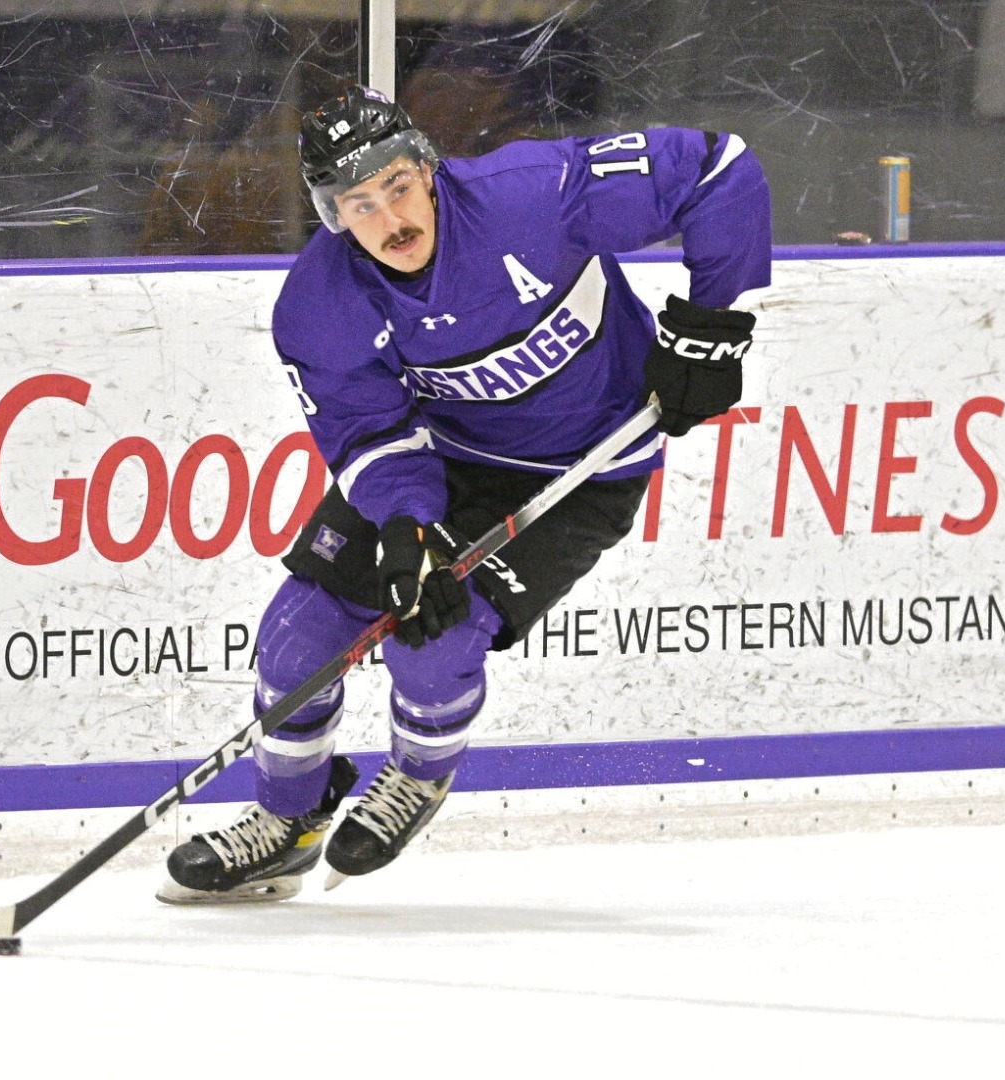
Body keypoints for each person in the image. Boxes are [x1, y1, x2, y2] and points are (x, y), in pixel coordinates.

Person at [159, 86, 772, 903]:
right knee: (296, 638)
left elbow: (719, 171)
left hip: (580, 471)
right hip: (446, 458)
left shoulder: (533, 197)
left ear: (428, 169)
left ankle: (417, 776)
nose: (391, 219)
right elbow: (368, 432)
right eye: (361, 204)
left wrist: (711, 329)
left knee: (434, 647)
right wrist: (407, 528)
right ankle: (287, 820)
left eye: (398, 187)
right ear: (335, 216)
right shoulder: (320, 306)